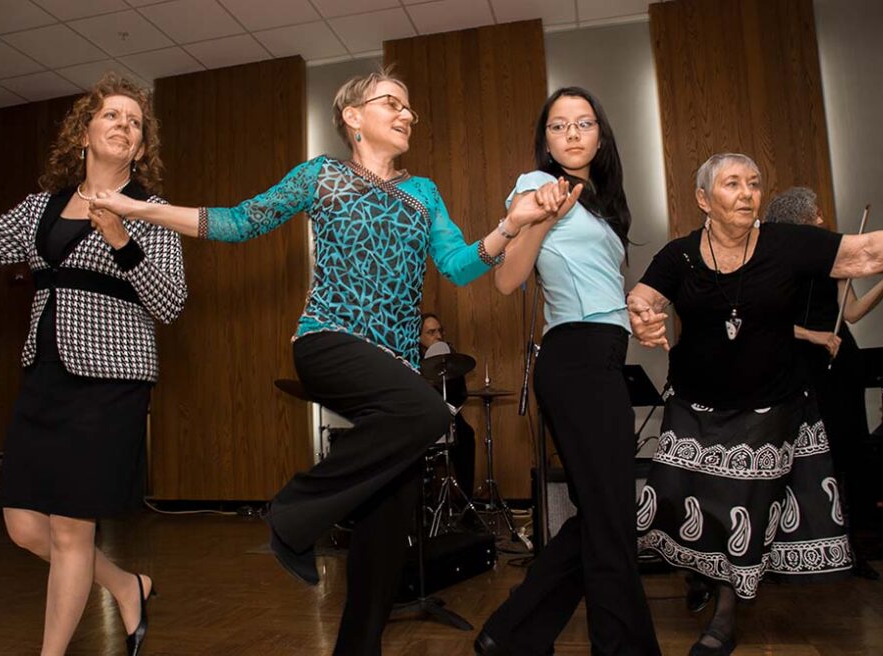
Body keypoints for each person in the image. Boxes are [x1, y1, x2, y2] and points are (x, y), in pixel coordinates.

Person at [89, 69, 574, 655]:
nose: (406, 115)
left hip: (395, 365)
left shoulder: (424, 193)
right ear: (352, 116)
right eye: (391, 103)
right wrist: (137, 212)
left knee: (387, 525)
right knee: (429, 414)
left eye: (410, 108)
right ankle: (292, 512)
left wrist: (510, 225)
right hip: (329, 339)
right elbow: (239, 221)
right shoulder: (322, 174)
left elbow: (462, 266)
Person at [0, 73, 186, 656]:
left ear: (141, 148)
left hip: (111, 380)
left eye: (135, 122)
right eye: (111, 116)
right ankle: (126, 584)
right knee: (24, 526)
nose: (124, 125)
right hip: (44, 374)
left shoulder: (153, 210)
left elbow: (170, 302)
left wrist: (123, 240)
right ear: (84, 135)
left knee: (71, 529)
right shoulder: (39, 207)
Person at [628, 153, 883, 656]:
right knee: (675, 499)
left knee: (744, 510)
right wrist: (643, 315)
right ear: (702, 199)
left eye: (754, 183)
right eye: (732, 183)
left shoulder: (787, 244)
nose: (746, 193)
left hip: (769, 405)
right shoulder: (680, 255)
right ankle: (703, 573)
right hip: (694, 405)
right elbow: (643, 296)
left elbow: (864, 253)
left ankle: (724, 617)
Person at [476, 87, 660, 656]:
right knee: (611, 517)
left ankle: (510, 633)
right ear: (546, 139)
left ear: (600, 134)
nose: (573, 134)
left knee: (603, 512)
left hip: (605, 354)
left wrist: (637, 309)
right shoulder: (537, 187)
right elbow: (508, 280)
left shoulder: (606, 204)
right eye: (559, 126)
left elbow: (596, 281)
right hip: (573, 358)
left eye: (584, 123)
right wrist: (540, 219)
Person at [765, 187, 883, 579]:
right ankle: (784, 548)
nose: (823, 221)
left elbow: (851, 313)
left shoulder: (836, 261)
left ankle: (849, 546)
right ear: (798, 221)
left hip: (842, 363)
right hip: (801, 362)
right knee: (798, 455)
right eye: (815, 214)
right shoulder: (778, 264)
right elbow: (769, 321)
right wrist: (816, 335)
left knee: (846, 449)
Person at [418, 312, 476, 498]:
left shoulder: (451, 358)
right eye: (431, 332)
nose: (438, 336)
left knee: (466, 434)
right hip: (421, 418)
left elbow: (460, 394)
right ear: (419, 337)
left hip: (448, 415)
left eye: (440, 331)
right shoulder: (412, 357)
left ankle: (466, 501)